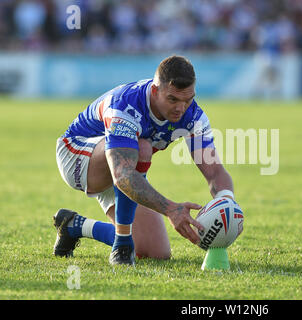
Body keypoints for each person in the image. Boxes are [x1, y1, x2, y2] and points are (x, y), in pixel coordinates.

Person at [54, 55, 235, 266]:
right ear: (155, 91)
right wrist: (171, 209)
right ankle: (121, 243)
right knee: (142, 147)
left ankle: (73, 226)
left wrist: (228, 203)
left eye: (188, 99)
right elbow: (122, 175)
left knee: (154, 252)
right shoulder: (126, 104)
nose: (181, 108)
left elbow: (214, 171)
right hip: (77, 155)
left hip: (123, 165)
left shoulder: (193, 116)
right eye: (173, 99)